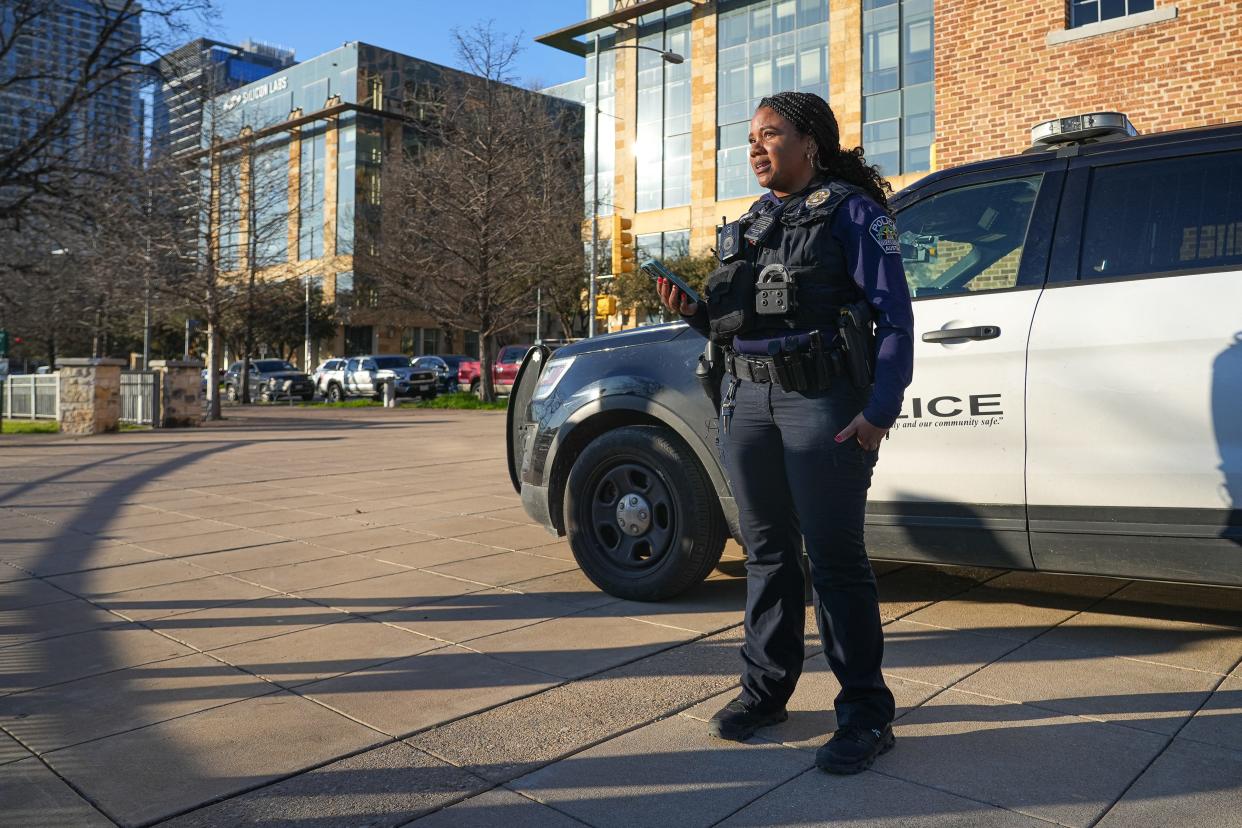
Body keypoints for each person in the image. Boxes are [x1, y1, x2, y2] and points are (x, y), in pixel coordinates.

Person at [656, 91, 914, 775]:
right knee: (767, 554)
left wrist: (879, 410)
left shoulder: (853, 214)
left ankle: (865, 713)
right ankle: (765, 694)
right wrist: (694, 312)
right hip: (748, 402)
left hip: (821, 403)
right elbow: (730, 325)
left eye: (770, 134)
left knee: (834, 561)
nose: (755, 147)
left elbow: (897, 318)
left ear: (811, 144)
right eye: (751, 137)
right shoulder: (751, 222)